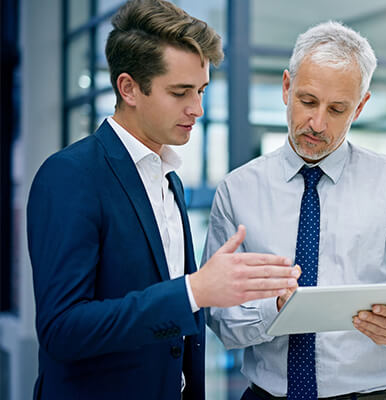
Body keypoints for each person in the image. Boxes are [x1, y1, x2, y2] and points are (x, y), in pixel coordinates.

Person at [26, 1, 299, 399]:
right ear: (129, 88)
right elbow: (62, 329)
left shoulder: (170, 180)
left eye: (201, 90)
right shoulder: (70, 175)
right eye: (180, 92)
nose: (198, 109)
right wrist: (193, 292)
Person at [203, 21, 386, 400]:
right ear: (287, 87)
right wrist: (275, 310)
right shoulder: (238, 191)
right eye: (307, 101)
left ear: (361, 106)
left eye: (337, 109)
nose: (317, 123)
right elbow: (220, 320)